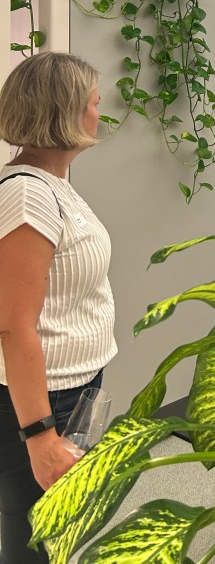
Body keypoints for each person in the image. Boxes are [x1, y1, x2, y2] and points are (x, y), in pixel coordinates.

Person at [0, 52, 117, 563]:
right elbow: (12, 326)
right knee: (34, 532)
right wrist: (39, 436)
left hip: (73, 386)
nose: (99, 113)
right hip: (43, 400)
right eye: (94, 102)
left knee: (58, 527)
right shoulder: (29, 195)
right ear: (64, 111)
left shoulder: (54, 185)